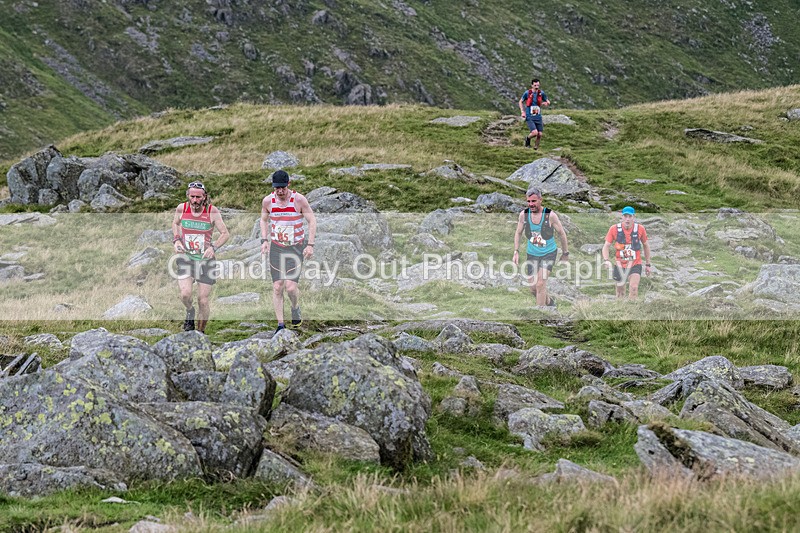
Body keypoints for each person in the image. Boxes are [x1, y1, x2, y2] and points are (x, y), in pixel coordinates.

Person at [260, 170, 317, 332]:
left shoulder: (298, 200)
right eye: (277, 188)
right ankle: (280, 325)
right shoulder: (268, 201)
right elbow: (263, 220)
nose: (280, 191)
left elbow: (312, 220)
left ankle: (295, 307)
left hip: (295, 248)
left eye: (283, 188)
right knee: (278, 286)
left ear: (288, 185)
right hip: (277, 248)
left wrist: (310, 244)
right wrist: (264, 241)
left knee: (290, 288)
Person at [172, 181, 230, 333]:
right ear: (188, 196)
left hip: (206, 261)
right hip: (186, 259)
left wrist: (213, 247)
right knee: (185, 294)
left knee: (203, 301)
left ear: (204, 197)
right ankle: (190, 311)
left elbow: (225, 234)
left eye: (198, 197)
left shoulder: (212, 211)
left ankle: (200, 333)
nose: (195, 200)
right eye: (192, 197)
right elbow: (175, 223)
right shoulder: (182, 208)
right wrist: (177, 240)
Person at [512, 186, 569, 307]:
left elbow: (561, 233)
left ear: (540, 200)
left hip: (548, 253)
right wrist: (516, 251)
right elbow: (518, 232)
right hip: (532, 254)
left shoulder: (550, 215)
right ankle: (550, 303)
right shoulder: (524, 215)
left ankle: (540, 314)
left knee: (540, 284)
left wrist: (565, 253)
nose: (531, 204)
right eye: (528, 201)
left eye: (534, 201)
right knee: (533, 288)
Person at [601, 206, 652, 299]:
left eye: (630, 216)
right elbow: (606, 246)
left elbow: (646, 245)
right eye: (625, 216)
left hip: (635, 263)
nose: (627, 219)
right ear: (622, 217)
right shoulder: (614, 229)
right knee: (620, 292)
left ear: (634, 217)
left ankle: (633, 306)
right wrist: (606, 260)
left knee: (634, 288)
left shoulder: (640, 229)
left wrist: (648, 264)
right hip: (619, 264)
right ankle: (621, 306)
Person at [518, 78, 551, 150]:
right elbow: (520, 101)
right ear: (532, 85)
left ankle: (536, 148)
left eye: (538, 85)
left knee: (540, 134)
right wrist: (522, 111)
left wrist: (546, 103)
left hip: (538, 116)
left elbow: (548, 101)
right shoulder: (527, 93)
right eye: (535, 85)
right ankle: (527, 139)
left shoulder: (541, 93)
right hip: (530, 116)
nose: (537, 87)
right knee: (534, 133)